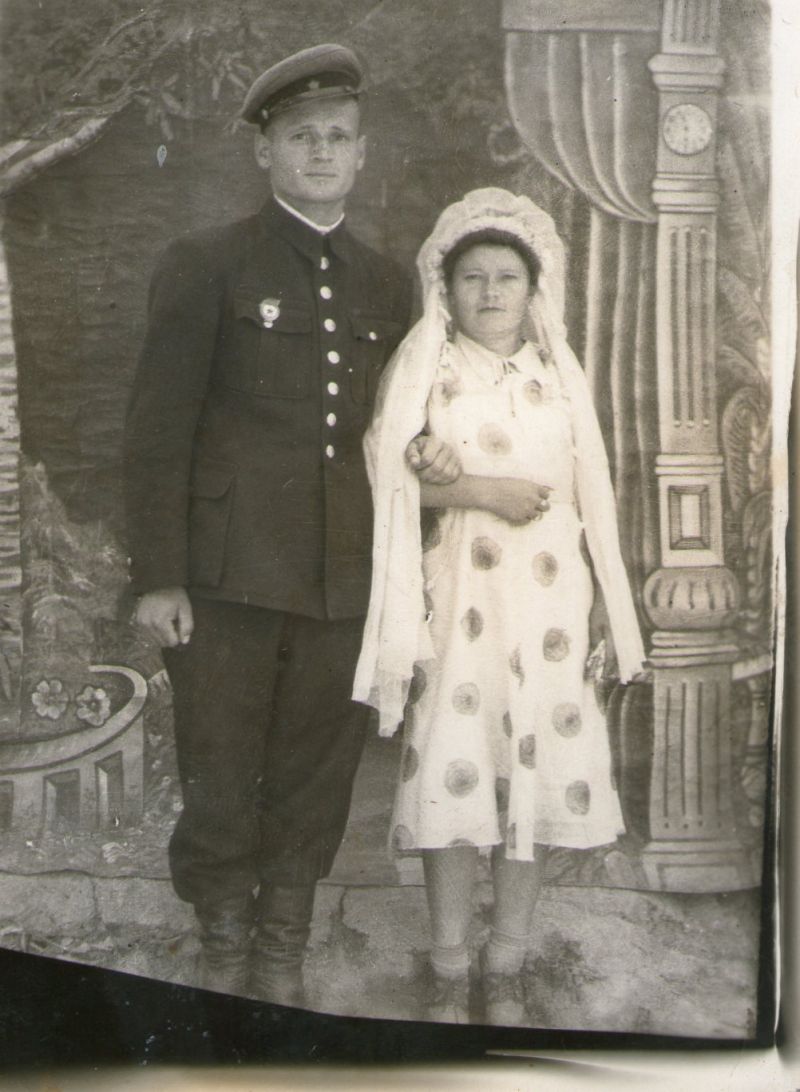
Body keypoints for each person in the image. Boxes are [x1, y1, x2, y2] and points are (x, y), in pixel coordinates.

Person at [123, 43, 458, 1007]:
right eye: (301, 136)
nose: (320, 152)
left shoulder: (387, 283)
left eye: (337, 137)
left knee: (316, 770)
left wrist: (433, 455)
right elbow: (157, 428)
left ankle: (283, 952)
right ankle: (223, 948)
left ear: (362, 155)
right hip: (226, 574)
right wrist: (160, 574)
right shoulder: (206, 263)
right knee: (222, 765)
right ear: (264, 152)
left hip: (342, 572)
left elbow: (397, 425)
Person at [353, 188, 646, 1026]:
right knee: (458, 756)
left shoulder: (557, 372)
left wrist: (603, 599)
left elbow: (590, 492)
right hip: (463, 592)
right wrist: (471, 486)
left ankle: (508, 961)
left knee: (535, 771)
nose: (489, 292)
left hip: (552, 595)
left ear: (532, 288)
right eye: (472, 278)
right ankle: (450, 966)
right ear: (445, 289)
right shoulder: (429, 367)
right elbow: (382, 469)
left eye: (506, 278)